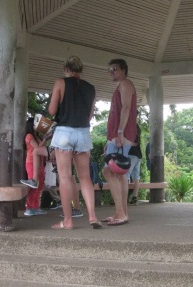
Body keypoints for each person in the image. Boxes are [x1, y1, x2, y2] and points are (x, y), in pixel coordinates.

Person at [48, 55, 101, 230]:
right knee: (85, 177)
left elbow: (52, 110)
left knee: (64, 177)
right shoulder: (91, 88)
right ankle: (92, 216)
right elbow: (90, 115)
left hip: (64, 132)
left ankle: (68, 221)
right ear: (81, 69)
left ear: (65, 68)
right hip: (83, 132)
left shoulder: (60, 83)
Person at [102, 58, 137, 226]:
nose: (111, 72)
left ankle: (120, 212)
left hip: (121, 135)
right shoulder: (121, 85)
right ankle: (122, 213)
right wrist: (110, 138)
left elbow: (127, 108)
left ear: (124, 69)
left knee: (109, 172)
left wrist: (120, 132)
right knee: (119, 174)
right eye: (109, 70)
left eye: (114, 69)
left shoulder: (125, 83)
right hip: (116, 136)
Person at [20, 117, 48, 216]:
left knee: (39, 186)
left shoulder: (36, 136)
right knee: (33, 186)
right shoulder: (29, 136)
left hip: (40, 162)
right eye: (36, 124)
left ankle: (35, 207)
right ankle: (29, 208)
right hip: (31, 162)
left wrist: (44, 138)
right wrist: (45, 139)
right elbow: (37, 148)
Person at [127, 124, 142, 206]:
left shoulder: (129, 126)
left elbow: (133, 143)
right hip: (138, 155)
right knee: (136, 177)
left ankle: (124, 198)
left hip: (131, 154)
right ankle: (135, 197)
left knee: (125, 175)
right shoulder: (137, 126)